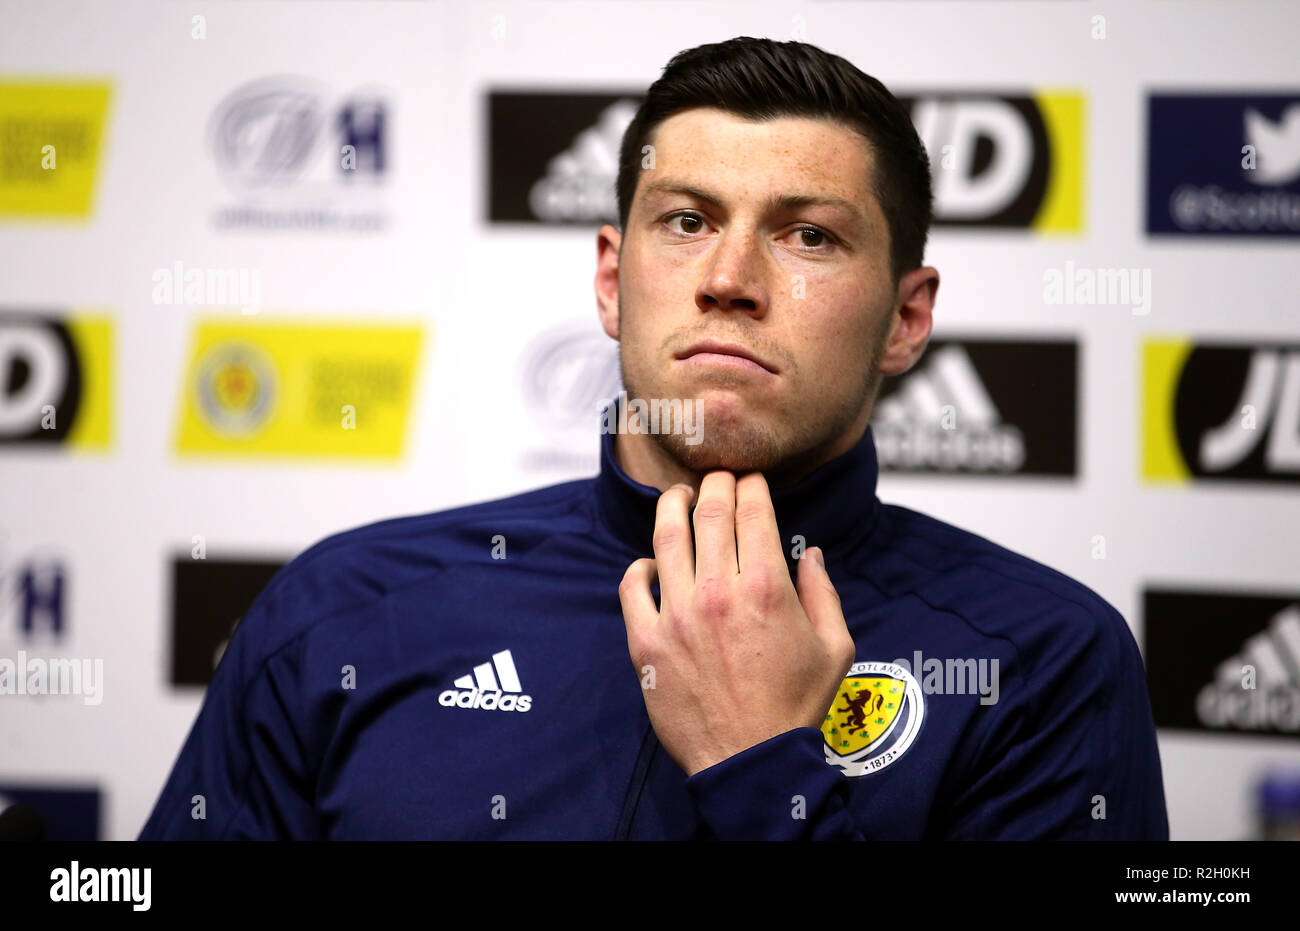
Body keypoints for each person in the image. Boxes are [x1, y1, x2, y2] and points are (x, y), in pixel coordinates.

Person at [138, 36, 1168, 840]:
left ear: (906, 317)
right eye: (685, 220)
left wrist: (769, 768)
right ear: (607, 276)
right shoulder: (345, 608)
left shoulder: (1039, 661)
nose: (729, 278)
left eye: (808, 234)